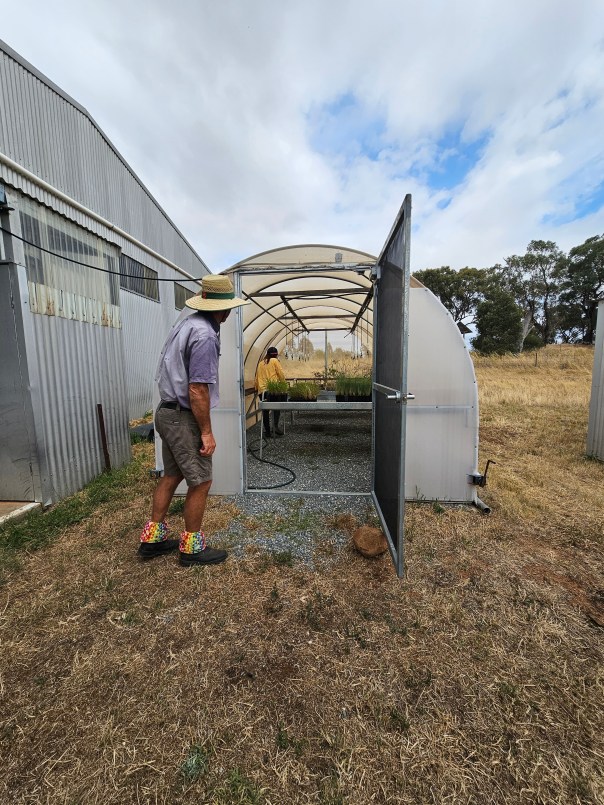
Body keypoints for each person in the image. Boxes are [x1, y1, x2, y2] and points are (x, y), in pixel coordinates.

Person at [138, 274, 250, 566]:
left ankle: (152, 540)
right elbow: (198, 389)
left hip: (166, 412)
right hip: (182, 417)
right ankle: (191, 548)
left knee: (171, 475)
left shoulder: (187, 324)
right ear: (224, 309)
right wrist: (207, 433)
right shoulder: (205, 336)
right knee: (201, 481)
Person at [254, 346, 286, 437]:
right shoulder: (275, 361)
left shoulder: (261, 363)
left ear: (267, 354)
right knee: (276, 408)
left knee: (265, 411)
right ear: (276, 355)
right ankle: (275, 427)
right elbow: (281, 374)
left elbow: (257, 377)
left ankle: (267, 431)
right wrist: (283, 384)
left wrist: (256, 388)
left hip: (262, 391)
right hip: (272, 390)